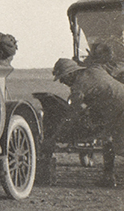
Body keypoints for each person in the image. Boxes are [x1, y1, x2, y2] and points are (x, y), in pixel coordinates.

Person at [53, 58, 124, 187]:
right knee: (107, 140)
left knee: (120, 147)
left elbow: (74, 111)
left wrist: (63, 127)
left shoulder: (78, 87)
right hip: (113, 112)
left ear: (70, 74)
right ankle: (108, 177)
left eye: (62, 78)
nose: (63, 82)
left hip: (120, 111)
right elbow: (118, 66)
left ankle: (109, 177)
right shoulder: (96, 68)